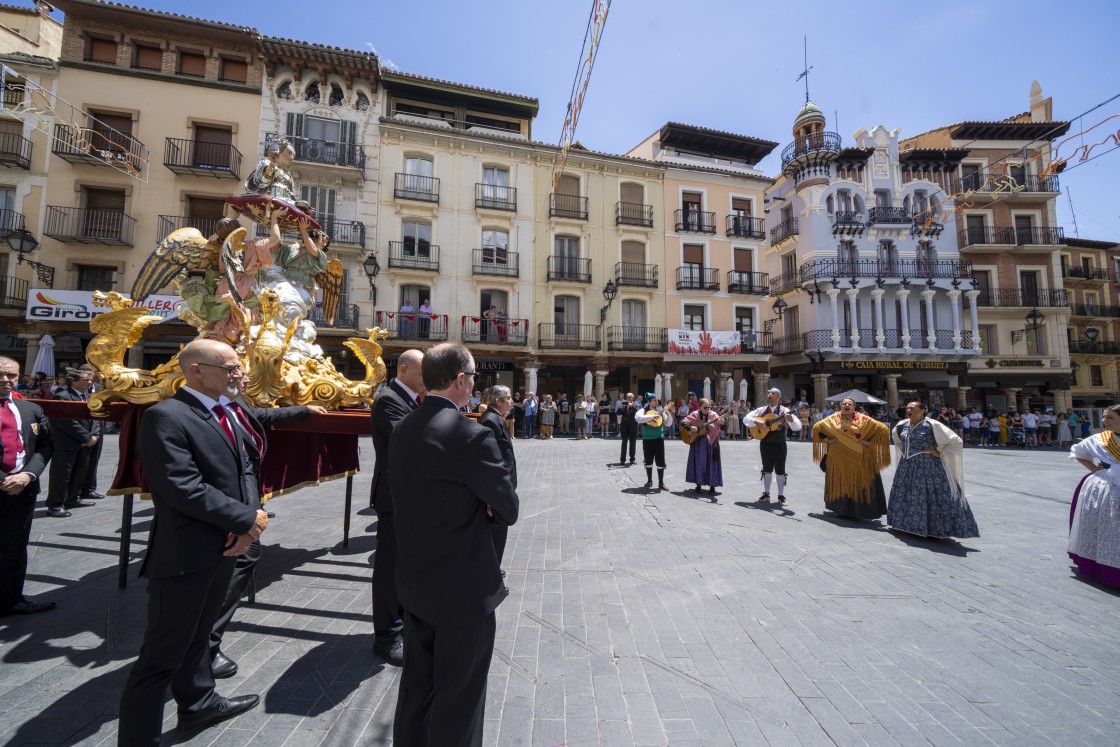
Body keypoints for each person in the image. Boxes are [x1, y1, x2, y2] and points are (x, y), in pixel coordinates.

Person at [118, 340, 270, 743]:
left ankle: (199, 705)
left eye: (239, 366)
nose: (239, 373)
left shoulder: (229, 412)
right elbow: (180, 486)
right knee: (160, 657)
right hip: (186, 552)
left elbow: (245, 471)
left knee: (200, 635)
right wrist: (245, 518)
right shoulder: (165, 417)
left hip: (227, 544)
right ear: (196, 370)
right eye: (230, 367)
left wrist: (247, 526)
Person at [390, 343, 518, 746]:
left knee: (417, 687)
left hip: (414, 582)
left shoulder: (402, 428)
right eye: (475, 377)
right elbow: (508, 507)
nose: (475, 384)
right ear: (461, 380)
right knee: (460, 697)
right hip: (463, 590)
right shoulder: (472, 435)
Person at [209, 376, 325, 680]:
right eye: (233, 369)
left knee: (242, 559)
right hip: (226, 507)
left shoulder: (237, 404)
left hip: (246, 502)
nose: (244, 376)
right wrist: (239, 516)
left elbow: (262, 416)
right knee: (228, 565)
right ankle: (203, 647)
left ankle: (204, 644)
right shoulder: (188, 412)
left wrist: (303, 409)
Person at [369, 348, 425, 667]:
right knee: (389, 569)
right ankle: (386, 636)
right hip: (393, 497)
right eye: (421, 373)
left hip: (409, 497)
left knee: (403, 565)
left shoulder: (412, 400)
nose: (425, 379)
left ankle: (402, 622)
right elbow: (411, 440)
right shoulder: (389, 400)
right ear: (403, 371)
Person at [0, 356, 55, 617]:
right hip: (4, 484)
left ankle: (11, 599)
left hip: (22, 489)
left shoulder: (30, 410)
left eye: (11, 375)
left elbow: (45, 445)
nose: (5, 380)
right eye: (1, 374)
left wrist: (28, 475)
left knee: (14, 545)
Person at [887, 400, 979, 539]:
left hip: (928, 466)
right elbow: (898, 440)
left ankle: (936, 528)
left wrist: (940, 452)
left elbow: (956, 441)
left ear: (922, 410)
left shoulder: (932, 425)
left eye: (912, 408)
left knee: (931, 495)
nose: (908, 410)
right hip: (906, 466)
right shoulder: (902, 426)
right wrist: (906, 451)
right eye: (907, 408)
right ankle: (906, 525)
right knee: (907, 494)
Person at [812, 396, 891, 520]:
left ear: (854, 407)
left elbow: (883, 430)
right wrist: (827, 440)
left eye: (849, 404)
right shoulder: (833, 419)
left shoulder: (864, 419)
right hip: (839, 459)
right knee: (841, 484)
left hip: (860, 459)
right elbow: (817, 428)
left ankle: (859, 512)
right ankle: (842, 510)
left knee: (859, 484)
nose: (846, 406)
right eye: (844, 404)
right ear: (840, 406)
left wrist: (867, 443)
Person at [1068, 404, 1120, 589]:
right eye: (1104, 417)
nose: (1104, 421)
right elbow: (1078, 452)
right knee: (1106, 527)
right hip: (1106, 486)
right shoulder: (1100, 439)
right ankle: (1101, 566)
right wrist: (1095, 470)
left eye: (1110, 417)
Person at [45, 370, 102, 518]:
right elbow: (64, 420)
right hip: (67, 443)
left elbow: (94, 417)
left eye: (90, 380)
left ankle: (73, 498)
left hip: (85, 443)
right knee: (62, 475)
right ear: (73, 381)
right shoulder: (62, 396)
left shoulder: (89, 396)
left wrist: (94, 435)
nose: (89, 382)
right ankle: (55, 505)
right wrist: (86, 437)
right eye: (85, 380)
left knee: (80, 472)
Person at [478, 385, 517, 572]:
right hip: (497, 487)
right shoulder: (490, 421)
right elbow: (487, 458)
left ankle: (493, 567)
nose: (511, 401)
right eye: (508, 398)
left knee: (499, 530)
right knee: (497, 530)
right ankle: (491, 570)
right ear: (498, 401)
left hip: (502, 485)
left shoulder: (497, 418)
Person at [744, 388, 802, 505]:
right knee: (767, 469)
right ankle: (766, 494)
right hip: (765, 443)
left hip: (780, 444)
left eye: (773, 393)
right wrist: (757, 422)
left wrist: (791, 420)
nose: (769, 395)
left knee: (780, 470)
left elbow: (797, 426)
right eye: (769, 393)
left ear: (778, 397)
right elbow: (746, 419)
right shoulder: (761, 410)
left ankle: (781, 496)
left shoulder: (785, 410)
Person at [682, 398, 725, 495]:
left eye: (709, 407)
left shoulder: (714, 415)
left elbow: (721, 427)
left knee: (712, 463)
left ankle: (712, 486)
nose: (707, 409)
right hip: (698, 443)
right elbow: (683, 422)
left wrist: (722, 423)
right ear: (700, 407)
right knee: (699, 463)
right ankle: (698, 484)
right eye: (705, 407)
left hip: (711, 443)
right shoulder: (695, 414)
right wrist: (690, 428)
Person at [635, 395, 667, 491]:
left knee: (660, 460)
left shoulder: (661, 411)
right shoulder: (643, 410)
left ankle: (661, 483)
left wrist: (668, 415)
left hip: (659, 438)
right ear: (649, 402)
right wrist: (653, 416)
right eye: (654, 401)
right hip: (648, 439)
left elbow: (668, 424)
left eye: (657, 400)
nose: (656, 402)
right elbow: (638, 418)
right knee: (648, 459)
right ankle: (649, 481)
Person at [617, 392, 639, 465]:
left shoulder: (636, 404)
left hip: (633, 427)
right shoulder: (623, 405)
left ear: (633, 398)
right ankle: (622, 460)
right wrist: (620, 407)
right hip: (624, 427)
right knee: (624, 443)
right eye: (627, 397)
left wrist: (631, 406)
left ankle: (632, 459)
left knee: (633, 443)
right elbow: (618, 413)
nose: (628, 399)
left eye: (630, 397)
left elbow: (637, 413)